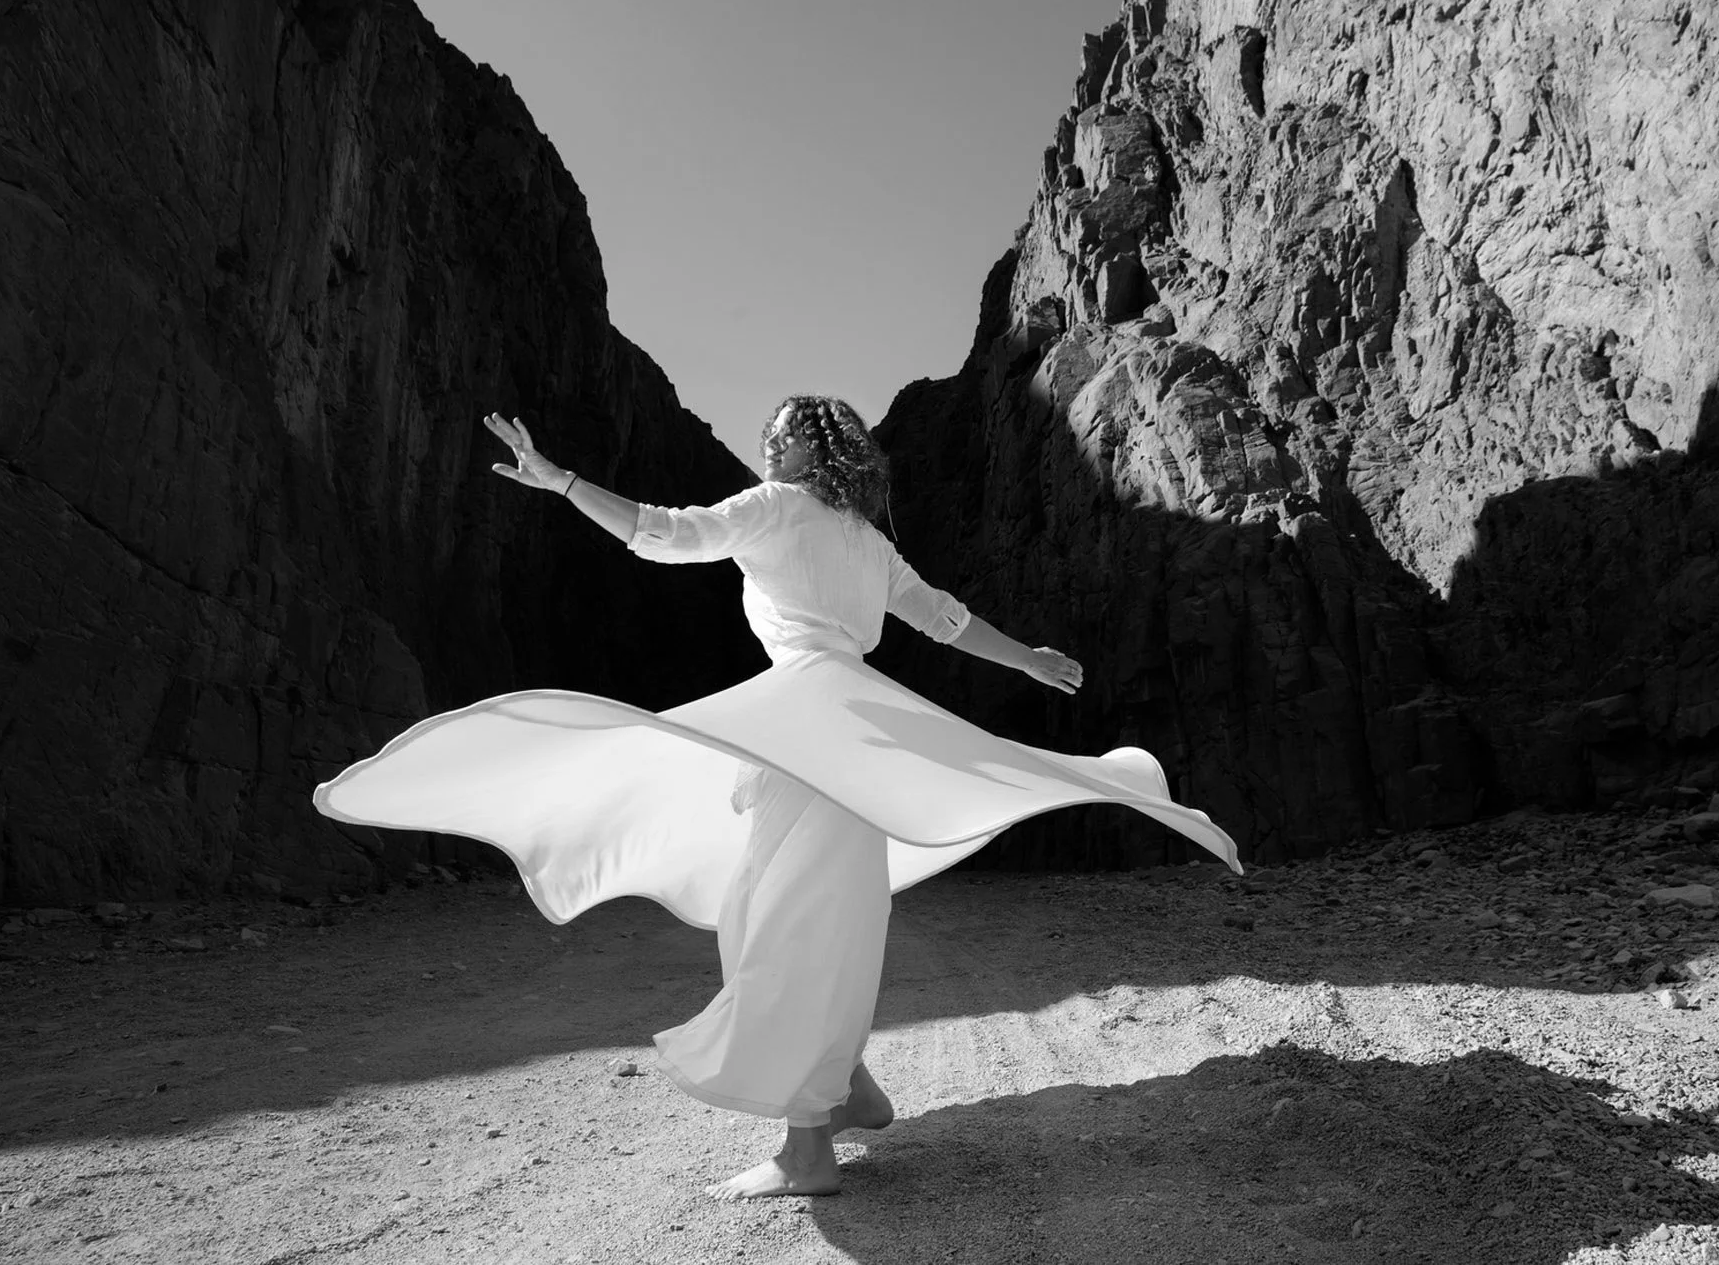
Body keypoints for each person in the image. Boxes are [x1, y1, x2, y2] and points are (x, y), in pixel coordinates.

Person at [313, 395, 1241, 1200]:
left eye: (782, 434)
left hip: (809, 731)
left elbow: (665, 534)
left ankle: (807, 1151)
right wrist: (1026, 657)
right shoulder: (869, 542)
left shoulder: (776, 508)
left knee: (780, 928)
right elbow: (946, 620)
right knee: (816, 918)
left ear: (812, 449)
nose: (769, 446)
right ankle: (848, 1088)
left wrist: (561, 482)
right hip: (856, 737)